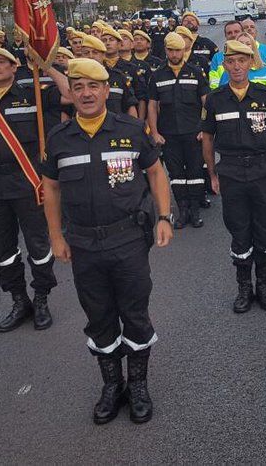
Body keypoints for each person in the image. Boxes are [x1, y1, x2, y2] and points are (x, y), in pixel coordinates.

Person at [40, 58, 174, 426]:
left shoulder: (131, 129)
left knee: (134, 312)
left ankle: (139, 385)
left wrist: (164, 217)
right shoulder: (59, 138)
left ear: (105, 90)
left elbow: (155, 172)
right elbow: (50, 189)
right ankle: (112, 386)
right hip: (83, 243)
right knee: (98, 317)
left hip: (129, 239)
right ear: (71, 92)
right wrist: (55, 236)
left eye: (93, 86)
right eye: (78, 87)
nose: (86, 93)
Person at [0, 47, 70, 333]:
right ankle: (19, 300)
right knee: (4, 251)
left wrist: (45, 66)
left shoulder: (33, 94)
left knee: (38, 247)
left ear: (14, 67)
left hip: (29, 184)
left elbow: (69, 95)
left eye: (1, 63)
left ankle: (42, 298)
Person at [201, 40, 266, 313]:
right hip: (231, 173)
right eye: (231, 61)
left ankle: (263, 286)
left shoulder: (265, 95)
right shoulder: (215, 99)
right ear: (225, 64)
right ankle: (243, 287)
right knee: (239, 231)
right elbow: (207, 138)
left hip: (262, 171)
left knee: (263, 229)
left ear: (251, 63)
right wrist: (212, 174)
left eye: (242, 61)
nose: (237, 67)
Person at [147, 33, 210, 229]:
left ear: (184, 50)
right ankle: (182, 211)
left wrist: (204, 129)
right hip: (169, 134)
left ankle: (194, 210)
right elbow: (151, 106)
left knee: (196, 172)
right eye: (171, 50)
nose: (174, 54)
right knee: (176, 174)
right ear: (166, 50)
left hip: (193, 133)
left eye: (178, 50)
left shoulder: (196, 72)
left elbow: (206, 102)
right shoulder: (157, 75)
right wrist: (155, 132)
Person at [80, 34, 139, 117]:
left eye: (95, 52)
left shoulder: (118, 76)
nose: (90, 56)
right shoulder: (76, 79)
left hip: (116, 127)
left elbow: (130, 106)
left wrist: (135, 128)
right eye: (86, 53)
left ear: (103, 55)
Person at [207, 20, 244, 87]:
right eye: (229, 33)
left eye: (236, 31)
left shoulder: (251, 54)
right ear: (225, 36)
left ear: (243, 33)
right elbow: (213, 82)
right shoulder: (217, 57)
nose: (233, 35)